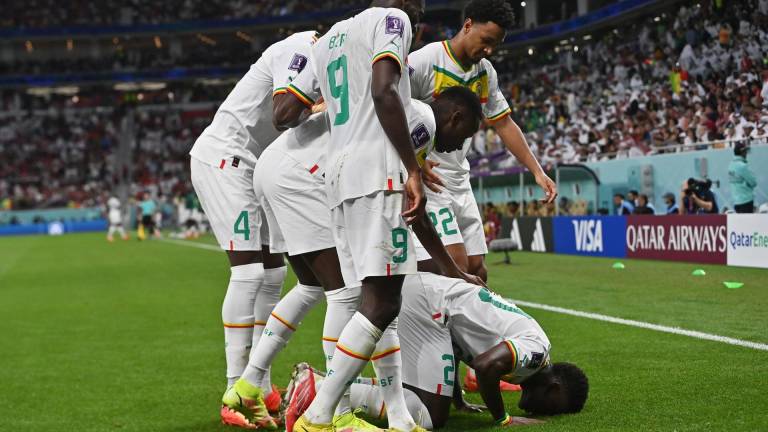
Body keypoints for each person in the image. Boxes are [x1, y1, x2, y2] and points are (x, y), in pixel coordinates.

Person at [266, 2, 485, 431]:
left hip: (338, 177)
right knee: (381, 302)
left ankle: (399, 418)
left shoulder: (328, 39)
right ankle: (320, 414)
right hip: (378, 174)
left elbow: (291, 113)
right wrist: (411, 167)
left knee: (374, 302)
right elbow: (384, 90)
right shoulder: (392, 20)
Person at [189, 30, 318, 429]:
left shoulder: (326, 64)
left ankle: (256, 381)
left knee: (275, 272)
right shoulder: (302, 48)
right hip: (227, 158)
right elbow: (284, 112)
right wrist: (327, 107)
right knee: (248, 272)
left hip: (259, 167)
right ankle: (235, 392)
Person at [285, 272, 589, 429]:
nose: (541, 411)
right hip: (429, 305)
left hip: (431, 303)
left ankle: (320, 383)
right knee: (430, 415)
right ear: (554, 387)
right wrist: (502, 418)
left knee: (419, 396)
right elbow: (485, 366)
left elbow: (458, 348)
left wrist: (458, 398)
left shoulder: (532, 353)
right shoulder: (536, 353)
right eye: (554, 407)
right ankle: (319, 389)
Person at [408, 0, 557, 282]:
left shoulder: (485, 72)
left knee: (477, 268)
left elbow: (503, 122)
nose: (488, 50)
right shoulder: (426, 60)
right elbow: (391, 105)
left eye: (495, 45)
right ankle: (419, 319)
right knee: (454, 265)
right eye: (486, 41)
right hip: (431, 178)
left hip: (460, 178)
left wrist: (537, 171)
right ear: (467, 26)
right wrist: (411, 163)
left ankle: (466, 325)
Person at [728, 142, 757, 213]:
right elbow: (754, 182)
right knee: (747, 223)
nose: (746, 153)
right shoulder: (743, 166)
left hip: (736, 202)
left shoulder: (730, 165)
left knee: (741, 223)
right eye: (745, 151)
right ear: (742, 152)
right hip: (746, 200)